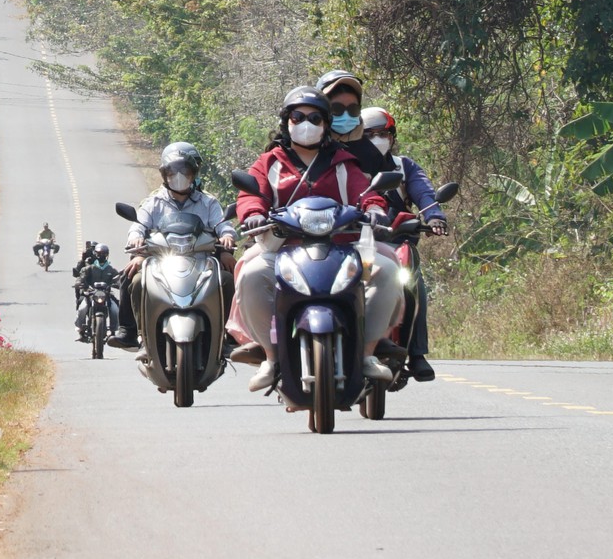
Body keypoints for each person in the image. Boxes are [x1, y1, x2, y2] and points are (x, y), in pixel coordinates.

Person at [231, 87, 402, 394]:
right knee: (251, 273)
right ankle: (270, 357)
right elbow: (251, 195)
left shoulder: (342, 161)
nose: (305, 123)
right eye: (298, 116)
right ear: (287, 122)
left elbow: (367, 193)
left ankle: (367, 352)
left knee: (389, 270)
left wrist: (375, 208)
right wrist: (254, 213)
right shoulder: (270, 162)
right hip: (282, 247)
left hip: (342, 246)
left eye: (314, 117)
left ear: (325, 125)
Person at [359, 105, 450, 381]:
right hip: (360, 243)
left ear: (392, 136)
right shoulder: (349, 167)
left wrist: (434, 216)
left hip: (399, 244)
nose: (377, 139)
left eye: (382, 133)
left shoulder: (404, 166)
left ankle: (416, 352)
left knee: (413, 284)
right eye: (369, 134)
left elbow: (424, 193)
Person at [115, 141, 233, 349]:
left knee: (227, 278)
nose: (178, 176)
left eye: (184, 171)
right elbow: (138, 226)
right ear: (164, 174)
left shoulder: (208, 203)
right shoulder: (153, 202)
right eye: (172, 171)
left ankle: (228, 334)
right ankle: (129, 331)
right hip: (159, 261)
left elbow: (223, 224)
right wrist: (137, 241)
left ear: (194, 173)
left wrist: (226, 241)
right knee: (132, 277)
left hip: (202, 262)